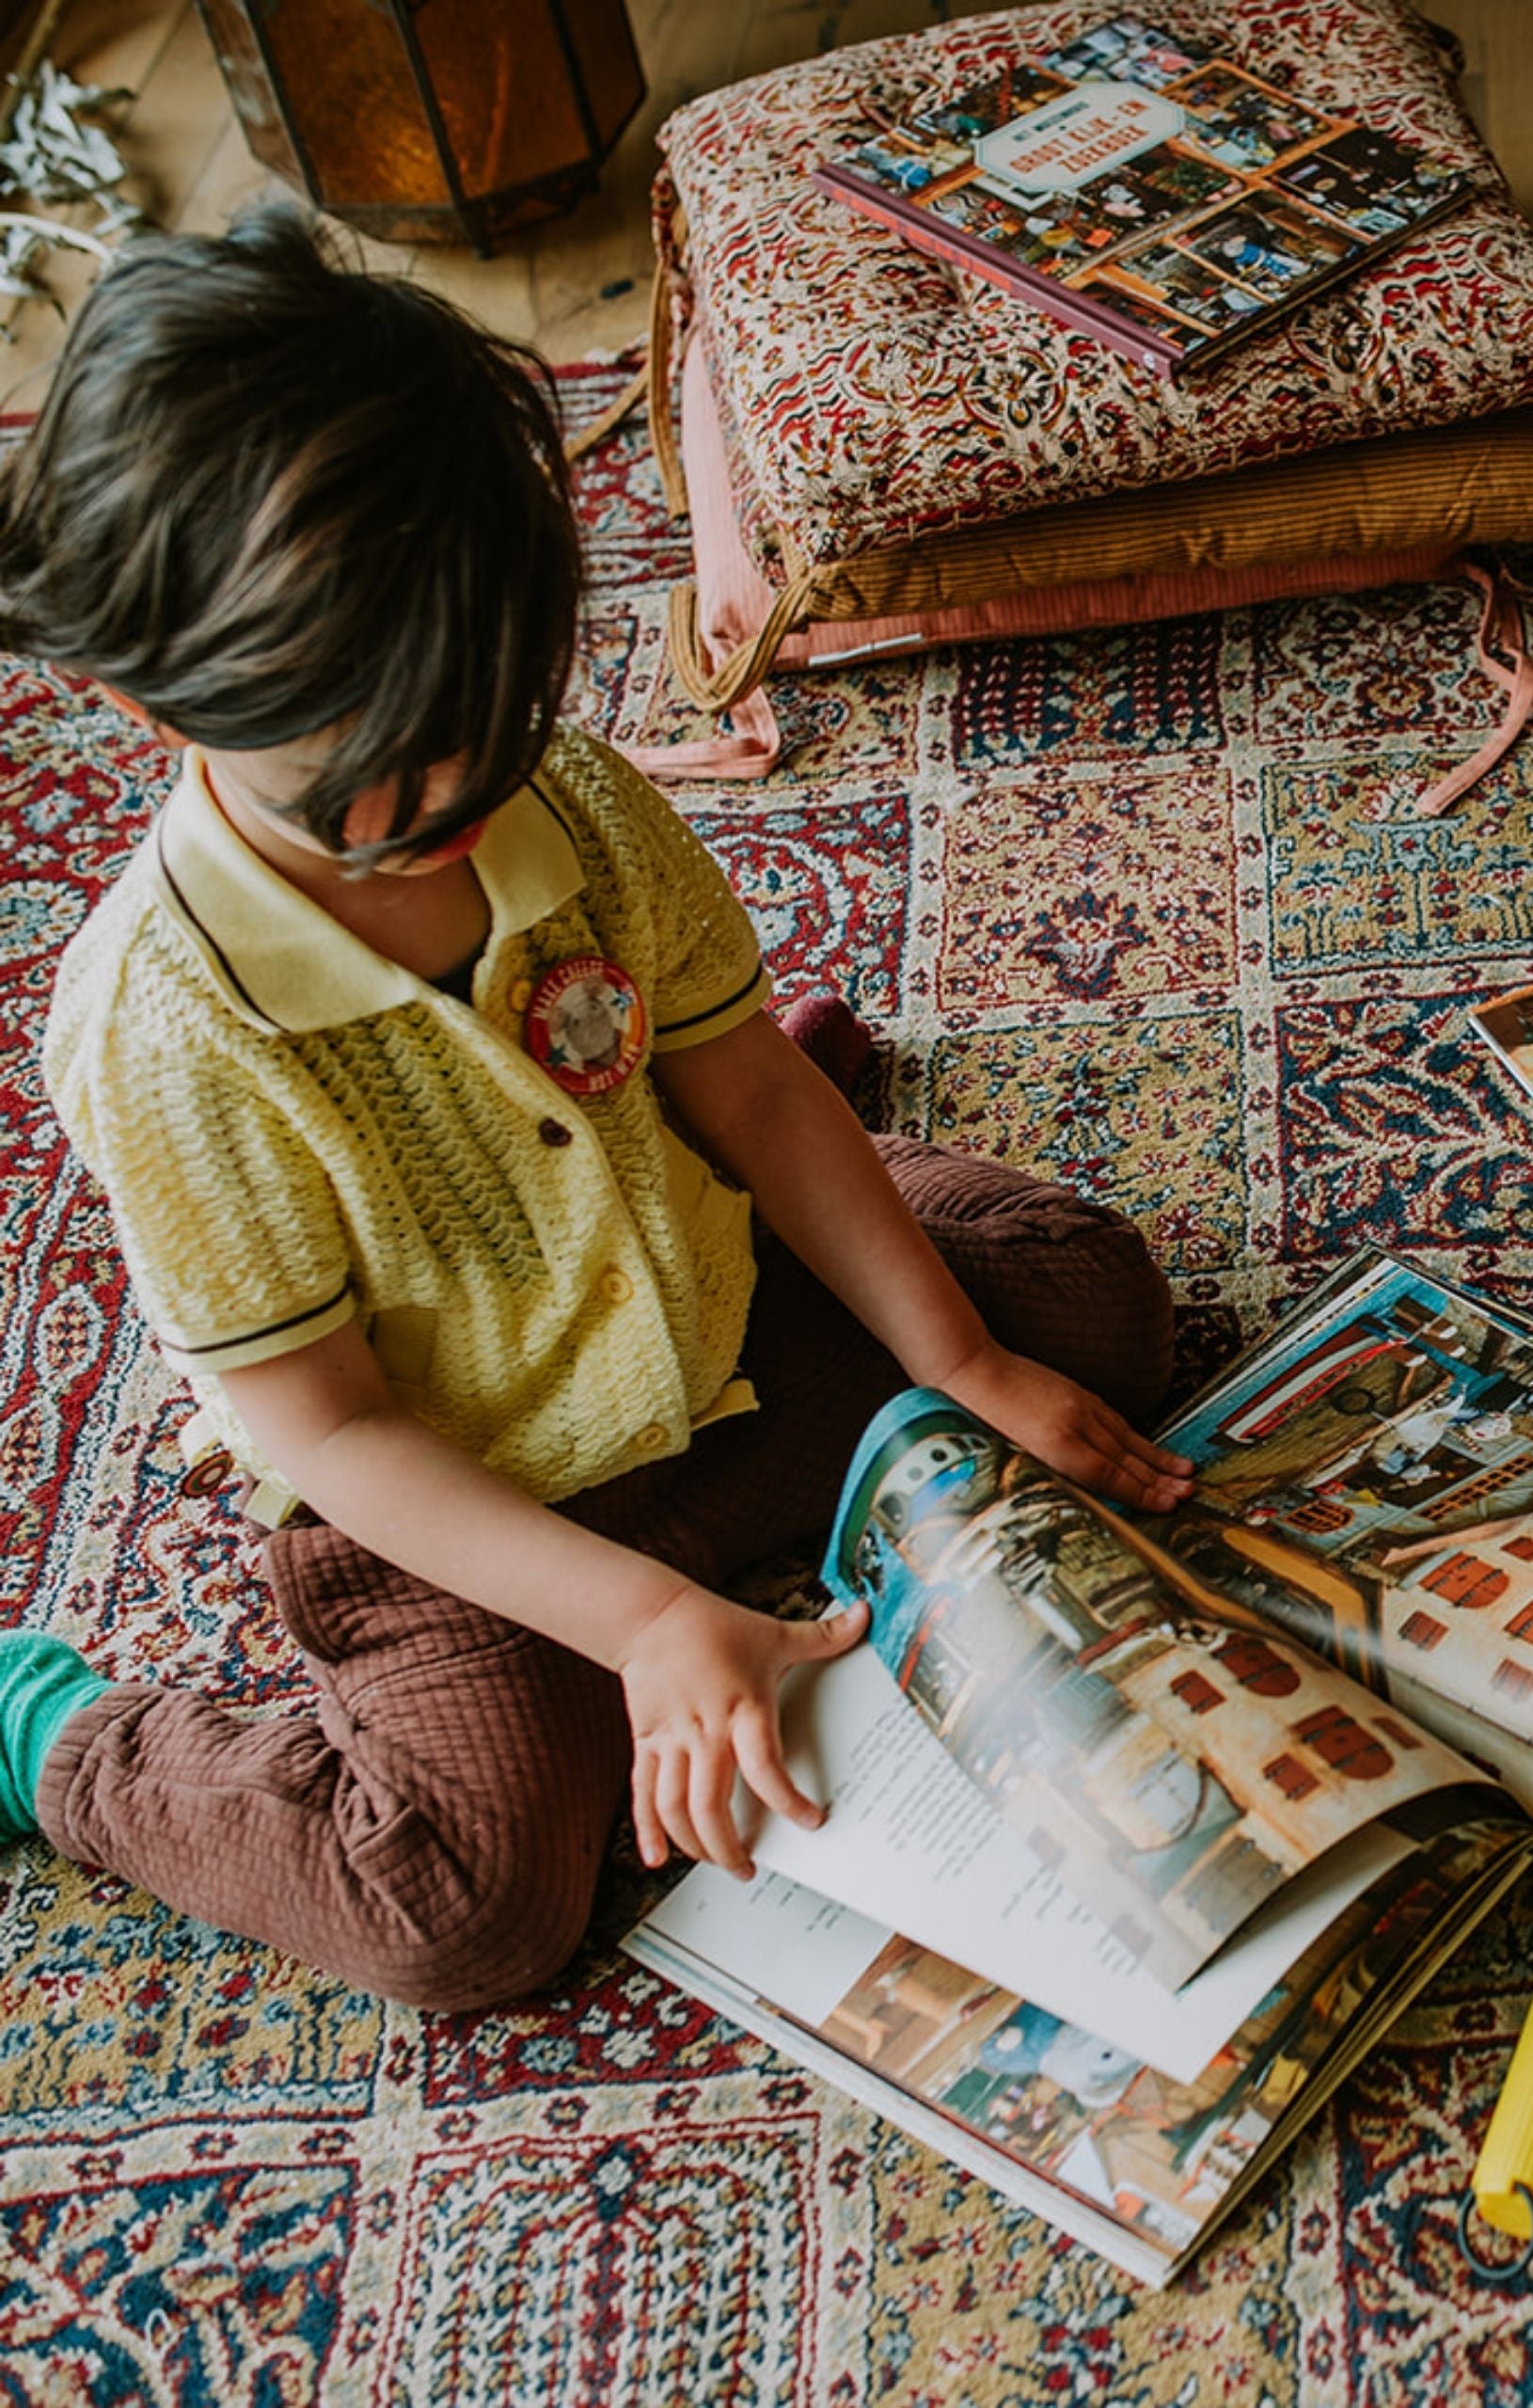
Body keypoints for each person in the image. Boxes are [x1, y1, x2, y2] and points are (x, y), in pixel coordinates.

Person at [0, 211, 1193, 2012]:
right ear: (139, 697)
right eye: (375, 775)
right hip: (451, 1494)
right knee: (458, 1908)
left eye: (492, 718)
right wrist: (638, 1622)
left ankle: (742, 1202)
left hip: (712, 1339)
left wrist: (957, 1360)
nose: (459, 793)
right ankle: (56, 1742)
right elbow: (331, 1429)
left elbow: (749, 1087)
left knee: (1090, 1309)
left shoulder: (565, 795)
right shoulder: (163, 1036)